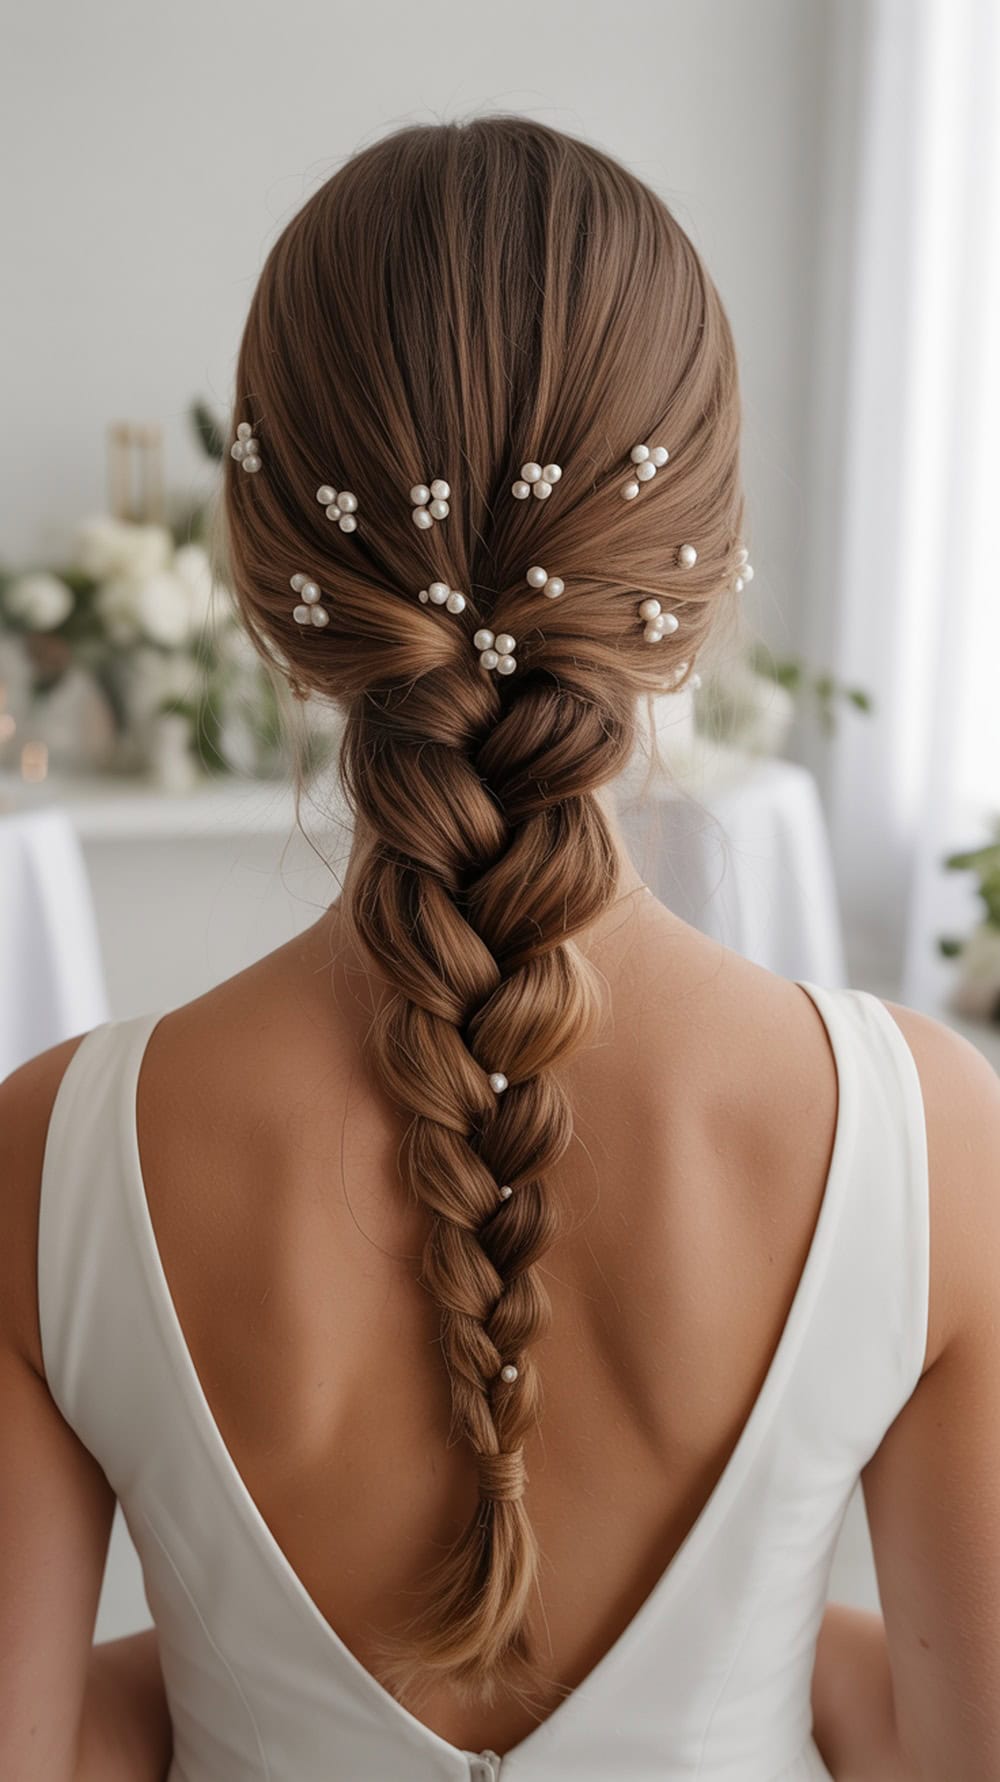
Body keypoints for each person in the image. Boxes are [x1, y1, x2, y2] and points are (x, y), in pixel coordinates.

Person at [1, 116, 998, 1782]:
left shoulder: (50, 1163)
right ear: (694, 583)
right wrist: (771, 1649)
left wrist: (204, 1668)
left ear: (272, 586)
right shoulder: (926, 1139)